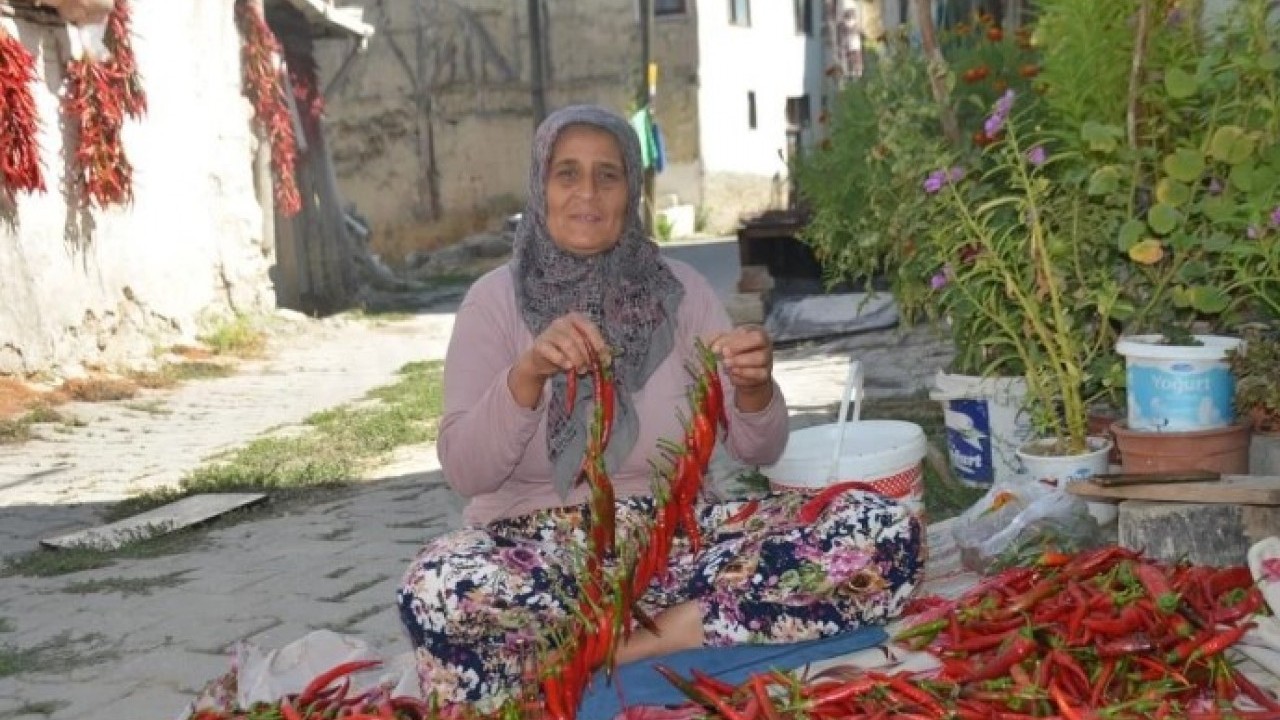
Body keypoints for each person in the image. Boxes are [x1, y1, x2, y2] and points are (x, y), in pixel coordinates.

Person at [397, 104, 923, 712]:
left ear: (632, 191)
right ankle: (672, 629)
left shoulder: (682, 291)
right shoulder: (493, 302)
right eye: (567, 173)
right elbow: (467, 472)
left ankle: (635, 642)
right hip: (543, 556)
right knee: (435, 585)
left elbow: (761, 449)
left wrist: (753, 386)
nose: (587, 193)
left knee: (883, 528)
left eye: (608, 174)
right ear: (540, 186)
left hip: (678, 543)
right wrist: (527, 376)